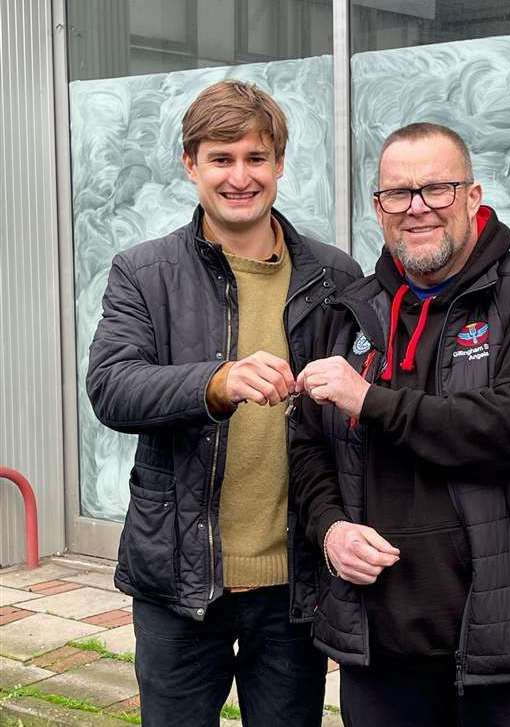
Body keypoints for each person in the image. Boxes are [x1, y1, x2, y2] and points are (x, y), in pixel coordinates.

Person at [290, 122, 510, 727]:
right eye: (398, 193)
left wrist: (371, 400)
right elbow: (308, 448)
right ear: (378, 208)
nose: (417, 208)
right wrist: (330, 529)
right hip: (380, 647)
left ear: (473, 197)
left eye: (437, 189)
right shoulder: (350, 313)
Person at [86, 80, 362, 727]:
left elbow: (357, 417)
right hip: (180, 584)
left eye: (256, 158)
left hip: (293, 584)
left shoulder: (333, 274)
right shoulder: (143, 272)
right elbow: (111, 386)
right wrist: (216, 381)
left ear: (280, 164)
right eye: (221, 158)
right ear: (191, 164)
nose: (241, 176)